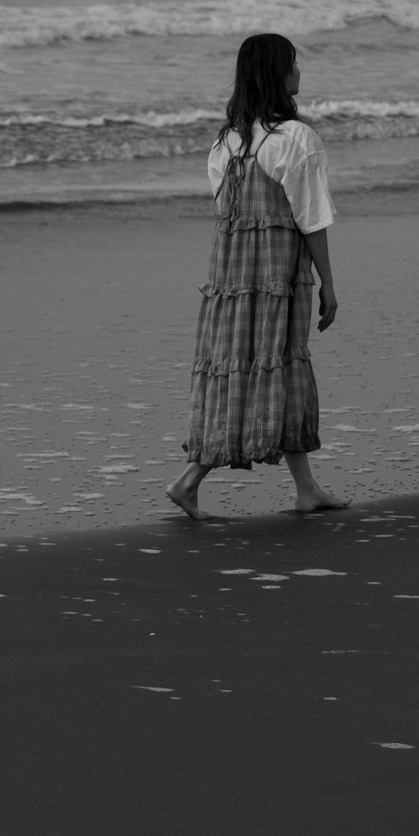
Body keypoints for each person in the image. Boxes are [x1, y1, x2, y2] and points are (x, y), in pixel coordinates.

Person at [167, 30, 346, 519]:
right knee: (278, 366)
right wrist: (328, 283)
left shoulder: (226, 142)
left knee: (244, 370)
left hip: (230, 277)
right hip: (275, 274)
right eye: (293, 63)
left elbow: (226, 210)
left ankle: (306, 488)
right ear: (278, 74)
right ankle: (188, 479)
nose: (299, 72)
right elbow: (312, 218)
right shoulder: (296, 138)